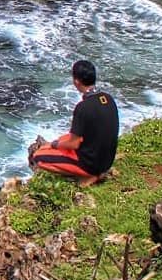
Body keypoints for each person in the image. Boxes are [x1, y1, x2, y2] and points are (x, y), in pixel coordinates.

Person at [28, 59, 119, 187]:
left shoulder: (83, 107)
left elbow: (74, 144)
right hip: (107, 160)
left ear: (76, 81)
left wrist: (54, 145)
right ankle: (94, 170)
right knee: (63, 139)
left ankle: (88, 175)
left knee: (39, 157)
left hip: (91, 164)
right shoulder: (108, 98)